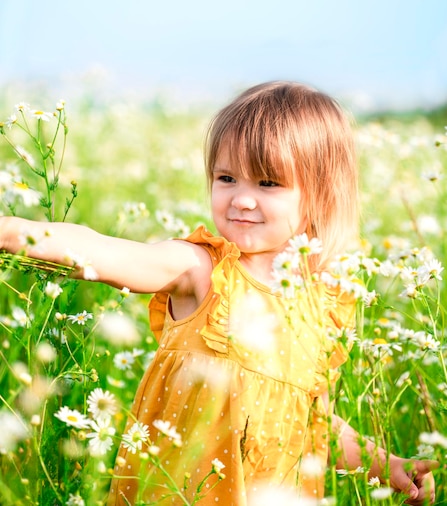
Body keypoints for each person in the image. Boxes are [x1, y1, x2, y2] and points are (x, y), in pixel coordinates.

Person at [0, 81, 437, 505]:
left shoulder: (320, 309)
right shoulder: (203, 269)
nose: (241, 199)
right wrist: (16, 233)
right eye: (227, 178)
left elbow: (314, 421)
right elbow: (108, 253)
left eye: (267, 184)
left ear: (320, 196)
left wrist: (386, 464)